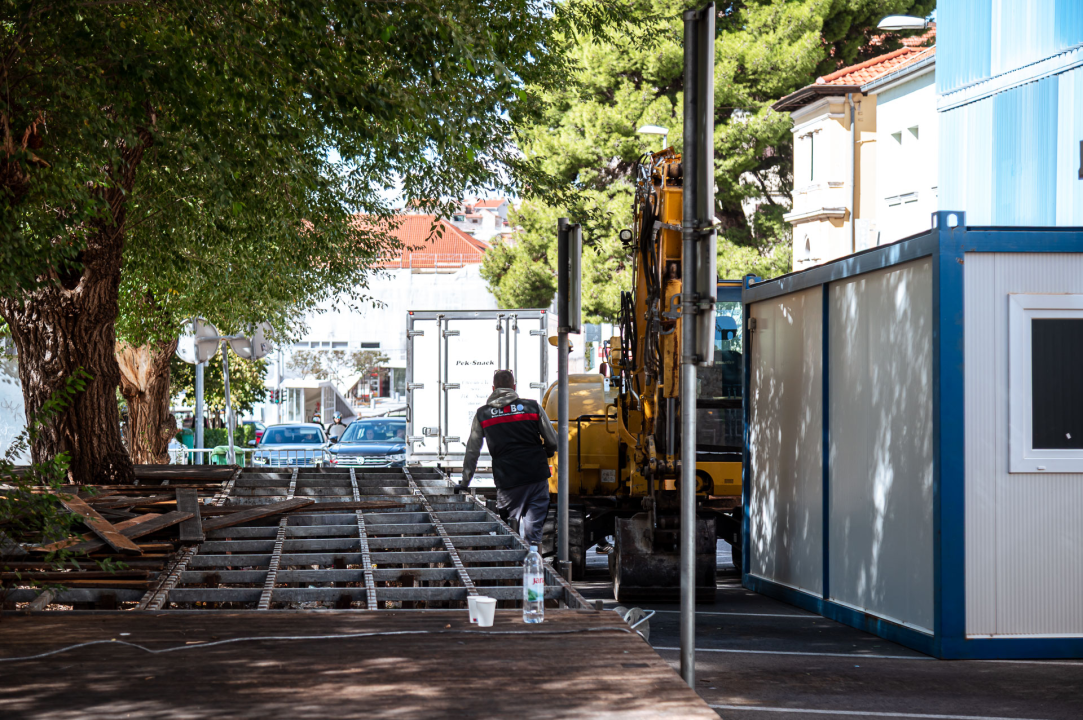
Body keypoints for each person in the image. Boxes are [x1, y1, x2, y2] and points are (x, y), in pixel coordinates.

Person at [460, 369, 558, 546]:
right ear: (514, 387)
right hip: (536, 476)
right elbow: (553, 440)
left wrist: (465, 482)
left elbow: (472, 450)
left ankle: (512, 567)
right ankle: (533, 568)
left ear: (493, 388)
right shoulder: (532, 407)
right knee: (533, 536)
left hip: (508, 481)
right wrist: (547, 451)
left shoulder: (483, 414)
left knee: (508, 535)